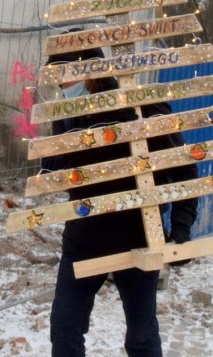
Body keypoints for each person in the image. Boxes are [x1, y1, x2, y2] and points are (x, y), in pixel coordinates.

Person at [43, 45, 198, 356]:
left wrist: (180, 231)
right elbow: (50, 168)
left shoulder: (141, 107)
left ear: (89, 73)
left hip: (139, 237)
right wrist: (73, 157)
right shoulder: (65, 113)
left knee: (142, 336)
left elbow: (183, 169)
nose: (60, 86)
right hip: (83, 240)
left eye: (63, 77)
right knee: (64, 328)